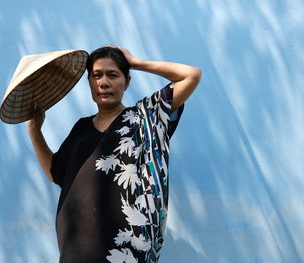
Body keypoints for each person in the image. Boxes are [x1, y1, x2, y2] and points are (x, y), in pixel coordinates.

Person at [28, 46, 201, 262]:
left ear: (126, 82)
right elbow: (56, 172)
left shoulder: (144, 118)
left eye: (113, 75)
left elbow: (191, 75)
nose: (104, 82)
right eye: (96, 75)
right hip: (75, 249)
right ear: (90, 82)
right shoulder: (81, 129)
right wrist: (35, 131)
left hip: (124, 251)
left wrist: (135, 63)